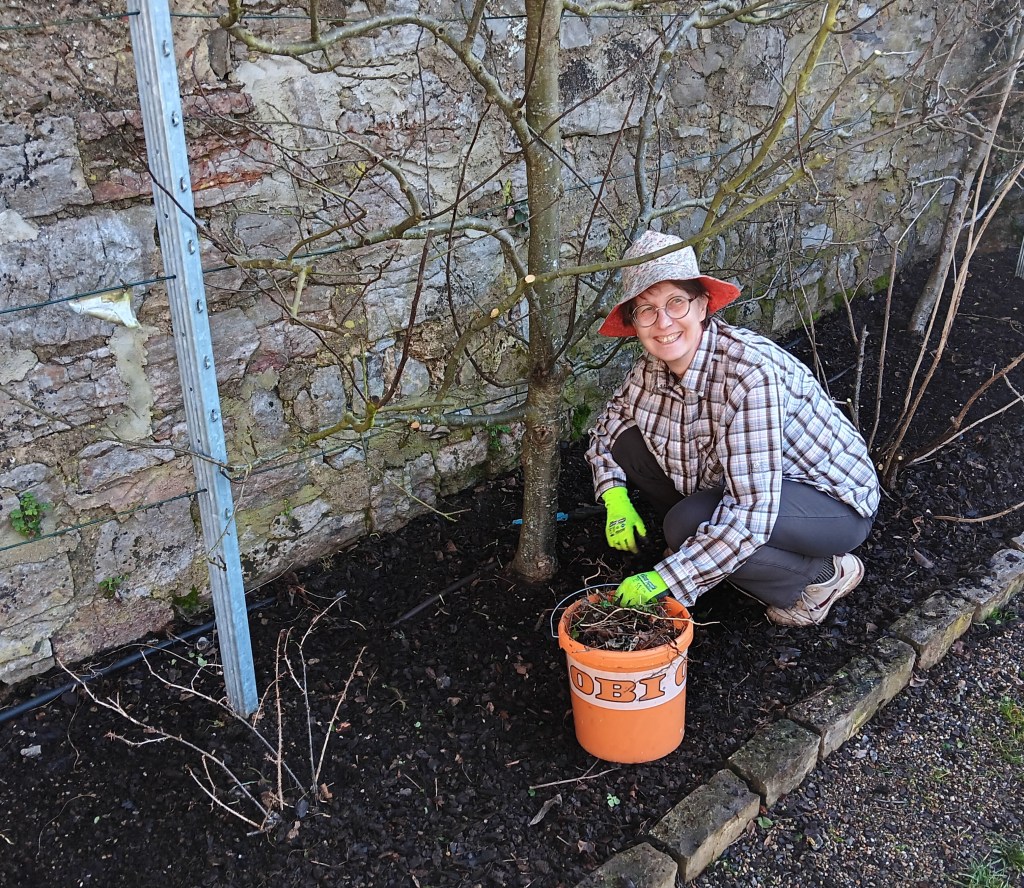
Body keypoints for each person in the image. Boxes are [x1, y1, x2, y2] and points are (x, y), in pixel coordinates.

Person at [585, 230, 880, 627]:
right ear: (634, 323)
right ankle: (710, 552)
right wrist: (614, 496)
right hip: (747, 487)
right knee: (630, 444)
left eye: (676, 302)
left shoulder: (748, 375)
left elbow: (751, 511)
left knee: (684, 525)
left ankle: (822, 576)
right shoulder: (650, 370)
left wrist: (666, 578)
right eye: (647, 310)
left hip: (829, 503)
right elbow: (607, 430)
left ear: (702, 305)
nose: (663, 322)